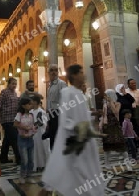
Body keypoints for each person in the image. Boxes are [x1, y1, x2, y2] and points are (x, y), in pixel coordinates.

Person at [40, 64, 105, 196]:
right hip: (72, 138)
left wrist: (92, 115)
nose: (84, 74)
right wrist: (76, 127)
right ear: (74, 75)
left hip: (84, 139)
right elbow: (65, 116)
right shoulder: (67, 92)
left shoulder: (79, 94)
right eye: (81, 72)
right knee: (67, 167)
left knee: (80, 169)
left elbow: (81, 114)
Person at [100, 89, 131, 171]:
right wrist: (101, 126)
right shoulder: (104, 105)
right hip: (107, 127)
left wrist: (111, 102)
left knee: (122, 146)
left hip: (115, 127)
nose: (105, 97)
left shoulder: (118, 103)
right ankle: (107, 164)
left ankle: (128, 164)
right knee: (107, 147)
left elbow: (115, 112)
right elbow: (103, 116)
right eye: (105, 95)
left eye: (107, 95)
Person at [0, 78, 21, 164]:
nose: (14, 85)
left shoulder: (15, 93)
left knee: (7, 140)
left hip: (13, 119)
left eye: (15, 84)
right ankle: (19, 158)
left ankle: (3, 158)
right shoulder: (4, 92)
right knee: (14, 138)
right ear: (8, 84)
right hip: (7, 119)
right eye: (13, 84)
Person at [14, 97, 37, 183]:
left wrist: (34, 129)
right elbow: (15, 124)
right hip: (22, 139)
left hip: (30, 139)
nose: (31, 105)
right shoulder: (19, 114)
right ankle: (22, 176)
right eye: (29, 104)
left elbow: (33, 125)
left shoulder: (31, 115)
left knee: (31, 159)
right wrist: (24, 127)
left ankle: (29, 176)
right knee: (25, 159)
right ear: (24, 105)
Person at [45, 64, 67, 149]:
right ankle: (54, 158)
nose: (54, 72)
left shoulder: (61, 84)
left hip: (58, 114)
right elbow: (49, 101)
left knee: (58, 138)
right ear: (48, 72)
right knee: (52, 137)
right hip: (51, 115)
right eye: (52, 70)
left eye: (56, 70)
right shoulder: (49, 86)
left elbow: (65, 100)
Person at [30, 95, 50, 172]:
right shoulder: (31, 111)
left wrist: (36, 124)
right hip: (33, 133)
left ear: (35, 102)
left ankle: (44, 165)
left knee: (42, 148)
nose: (31, 102)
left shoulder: (41, 111)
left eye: (32, 101)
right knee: (35, 149)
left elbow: (43, 122)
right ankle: (37, 165)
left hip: (41, 132)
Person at [126, 78, 139, 152]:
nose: (134, 85)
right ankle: (134, 146)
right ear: (128, 84)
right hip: (130, 112)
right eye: (132, 83)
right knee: (131, 130)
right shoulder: (126, 92)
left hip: (138, 112)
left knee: (138, 129)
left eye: (135, 83)